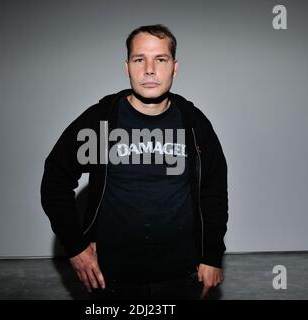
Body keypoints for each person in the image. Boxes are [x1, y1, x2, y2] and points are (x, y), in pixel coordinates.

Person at [40, 24, 228, 300]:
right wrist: (76, 247)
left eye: (160, 59)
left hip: (182, 274)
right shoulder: (100, 122)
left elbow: (213, 191)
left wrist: (211, 256)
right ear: (127, 66)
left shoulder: (194, 124)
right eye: (139, 59)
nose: (149, 69)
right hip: (111, 277)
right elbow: (55, 180)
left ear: (174, 68)